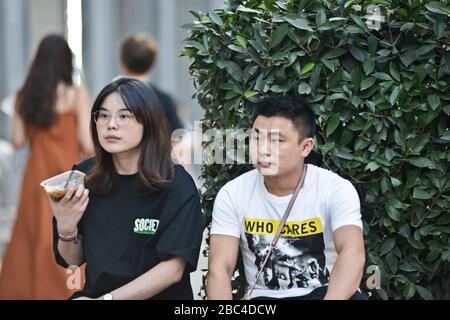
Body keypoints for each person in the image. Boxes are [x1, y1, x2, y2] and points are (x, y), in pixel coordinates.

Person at [50, 77, 204, 300]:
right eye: (103, 115)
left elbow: (172, 270)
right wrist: (66, 228)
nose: (111, 124)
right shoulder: (83, 177)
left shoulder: (175, 183)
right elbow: (71, 260)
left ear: (148, 122)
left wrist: (108, 300)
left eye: (124, 116)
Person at [207, 96, 366, 300]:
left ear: (306, 147)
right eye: (257, 138)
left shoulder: (335, 189)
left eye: (277, 140)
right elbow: (219, 269)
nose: (263, 150)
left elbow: (353, 253)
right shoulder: (233, 193)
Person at [0, 35, 93, 299]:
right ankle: (65, 291)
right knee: (66, 233)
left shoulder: (23, 97)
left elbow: (17, 141)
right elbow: (87, 141)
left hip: (35, 177)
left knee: (30, 237)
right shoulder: (76, 96)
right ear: (67, 62)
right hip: (66, 178)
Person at [120, 33, 183, 134]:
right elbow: (179, 138)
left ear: (122, 61)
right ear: (151, 63)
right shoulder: (164, 100)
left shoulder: (111, 97)